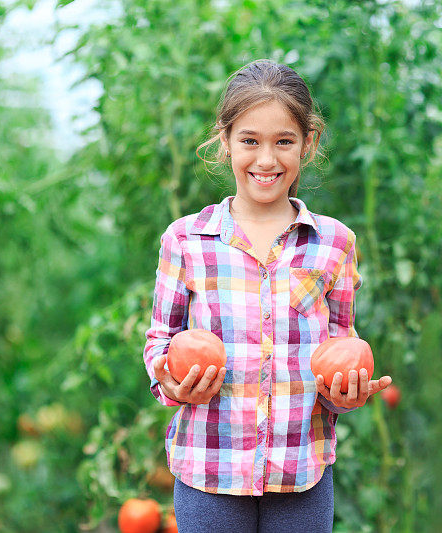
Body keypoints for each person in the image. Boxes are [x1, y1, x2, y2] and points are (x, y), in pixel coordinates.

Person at [142, 59, 393, 533]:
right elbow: (160, 340)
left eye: (284, 141)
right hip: (208, 469)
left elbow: (341, 349)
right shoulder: (186, 240)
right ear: (225, 141)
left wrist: (347, 393)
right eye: (249, 141)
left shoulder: (334, 244)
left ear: (308, 144)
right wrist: (171, 383)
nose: (266, 159)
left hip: (301, 470)